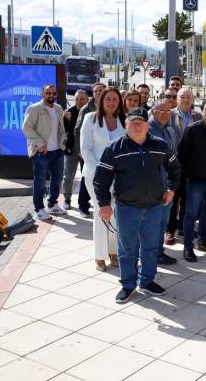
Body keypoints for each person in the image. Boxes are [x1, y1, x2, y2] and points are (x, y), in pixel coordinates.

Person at [94, 107, 180, 303]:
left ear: (148, 125)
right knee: (127, 249)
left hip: (154, 207)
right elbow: (101, 180)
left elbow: (174, 168)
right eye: (133, 122)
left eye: (141, 122)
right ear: (126, 125)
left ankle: (147, 281)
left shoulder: (160, 145)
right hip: (127, 209)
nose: (138, 125)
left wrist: (171, 189)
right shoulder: (114, 148)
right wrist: (104, 204)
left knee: (150, 247)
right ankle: (128, 285)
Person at [80, 87, 126, 271]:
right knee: (102, 212)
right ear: (101, 100)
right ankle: (100, 255)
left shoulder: (124, 119)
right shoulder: (90, 119)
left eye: (115, 99)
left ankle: (114, 252)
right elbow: (85, 148)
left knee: (115, 214)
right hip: (95, 175)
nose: (111, 102)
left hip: (119, 176)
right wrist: (101, 171)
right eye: (108, 98)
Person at [178, 100, 206, 261]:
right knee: (191, 214)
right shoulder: (192, 130)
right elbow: (181, 155)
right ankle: (188, 246)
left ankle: (203, 241)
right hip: (196, 180)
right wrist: (189, 173)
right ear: (201, 111)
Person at [22, 84, 67, 220]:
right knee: (40, 181)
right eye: (48, 93)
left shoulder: (58, 109)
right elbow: (27, 128)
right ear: (43, 94)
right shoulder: (35, 108)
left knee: (57, 179)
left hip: (57, 151)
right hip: (41, 152)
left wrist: (63, 140)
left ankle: (52, 204)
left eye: (53, 93)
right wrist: (40, 144)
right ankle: (39, 208)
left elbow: (61, 128)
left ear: (56, 95)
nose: (51, 95)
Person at [165, 87, 202, 245]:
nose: (186, 100)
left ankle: (184, 227)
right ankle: (169, 230)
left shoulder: (198, 116)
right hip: (173, 164)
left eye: (189, 97)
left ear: (192, 99)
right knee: (172, 198)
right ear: (177, 99)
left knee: (189, 198)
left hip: (192, 165)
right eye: (183, 97)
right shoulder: (168, 114)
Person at [148, 99, 180, 266]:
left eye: (168, 111)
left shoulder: (170, 131)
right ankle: (148, 254)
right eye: (161, 111)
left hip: (167, 186)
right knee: (150, 224)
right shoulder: (145, 129)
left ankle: (158, 252)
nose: (165, 114)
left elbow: (173, 158)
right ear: (153, 111)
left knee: (163, 221)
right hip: (151, 187)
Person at [74, 83, 105, 216]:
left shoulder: (109, 107)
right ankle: (83, 205)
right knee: (87, 176)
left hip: (102, 151)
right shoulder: (87, 109)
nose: (98, 92)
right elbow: (77, 130)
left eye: (101, 90)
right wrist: (79, 150)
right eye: (96, 90)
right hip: (87, 150)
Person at [61, 90, 91, 215]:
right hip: (71, 150)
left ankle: (84, 201)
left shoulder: (90, 112)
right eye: (77, 99)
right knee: (68, 176)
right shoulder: (68, 112)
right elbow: (64, 131)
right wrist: (65, 119)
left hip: (85, 150)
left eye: (82, 99)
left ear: (87, 100)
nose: (79, 102)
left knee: (87, 177)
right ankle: (67, 199)